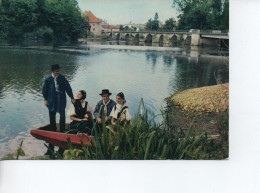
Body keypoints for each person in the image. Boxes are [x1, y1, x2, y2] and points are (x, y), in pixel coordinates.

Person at [42, 64, 75, 155]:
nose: (57, 72)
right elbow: (44, 90)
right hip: (52, 100)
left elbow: (68, 88)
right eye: (56, 71)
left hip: (60, 99)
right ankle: (52, 130)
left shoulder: (62, 78)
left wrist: (71, 97)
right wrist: (45, 99)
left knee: (62, 115)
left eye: (58, 71)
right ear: (52, 71)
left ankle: (62, 131)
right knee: (52, 115)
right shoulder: (48, 79)